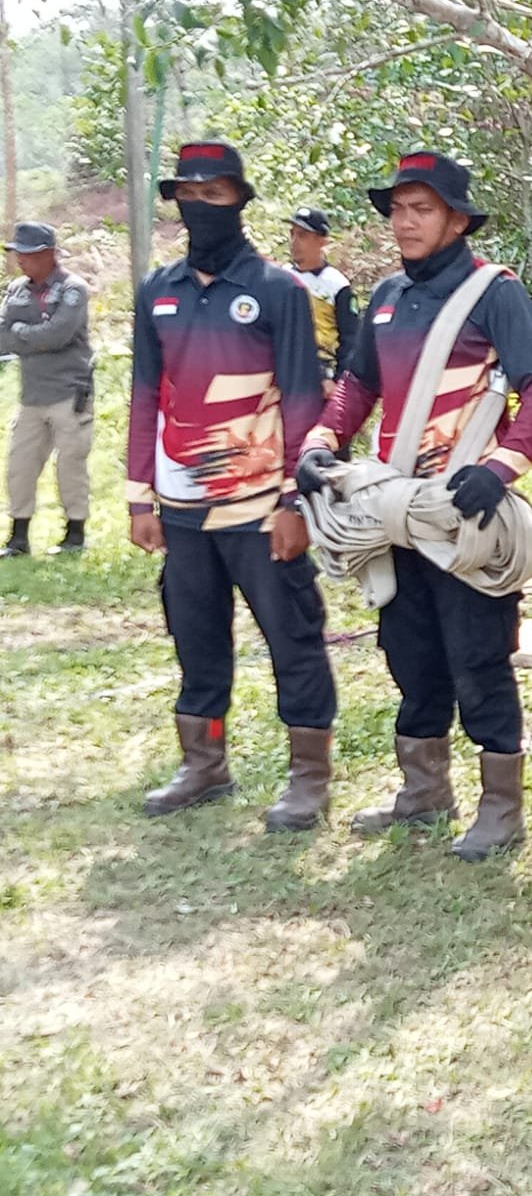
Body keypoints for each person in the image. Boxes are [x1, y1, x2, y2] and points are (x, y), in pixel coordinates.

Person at [297, 151, 532, 862]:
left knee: (478, 658)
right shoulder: (384, 296)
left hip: (462, 514)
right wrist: (323, 440)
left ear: (456, 219)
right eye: (398, 210)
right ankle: (423, 793)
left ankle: (501, 810)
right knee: (407, 651)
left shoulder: (492, 292)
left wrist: (502, 469)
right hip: (392, 508)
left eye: (421, 210)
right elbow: (356, 384)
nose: (405, 223)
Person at [127, 141, 336, 832]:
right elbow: (144, 397)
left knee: (292, 637)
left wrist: (293, 500)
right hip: (182, 504)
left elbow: (304, 399)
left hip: (259, 507)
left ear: (240, 202)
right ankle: (204, 764)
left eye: (214, 194)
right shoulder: (156, 291)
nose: (200, 206)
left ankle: (307, 776)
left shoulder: (279, 289)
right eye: (189, 195)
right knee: (195, 637)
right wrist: (138, 494)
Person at [1, 222, 95, 557]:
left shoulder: (73, 289)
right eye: (17, 254)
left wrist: (23, 334)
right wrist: (32, 335)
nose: (20, 261)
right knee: (20, 465)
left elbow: (59, 334)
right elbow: (2, 336)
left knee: (70, 465)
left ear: (49, 255)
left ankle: (74, 535)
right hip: (32, 396)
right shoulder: (16, 291)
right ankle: (19, 537)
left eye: (27, 255)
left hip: (69, 393)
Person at [283, 206, 358, 389]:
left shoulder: (337, 284)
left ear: (321, 241)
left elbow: (351, 339)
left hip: (322, 375)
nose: (294, 242)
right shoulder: (281, 278)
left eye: (302, 235)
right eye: (292, 234)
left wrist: (338, 382)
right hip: (283, 368)